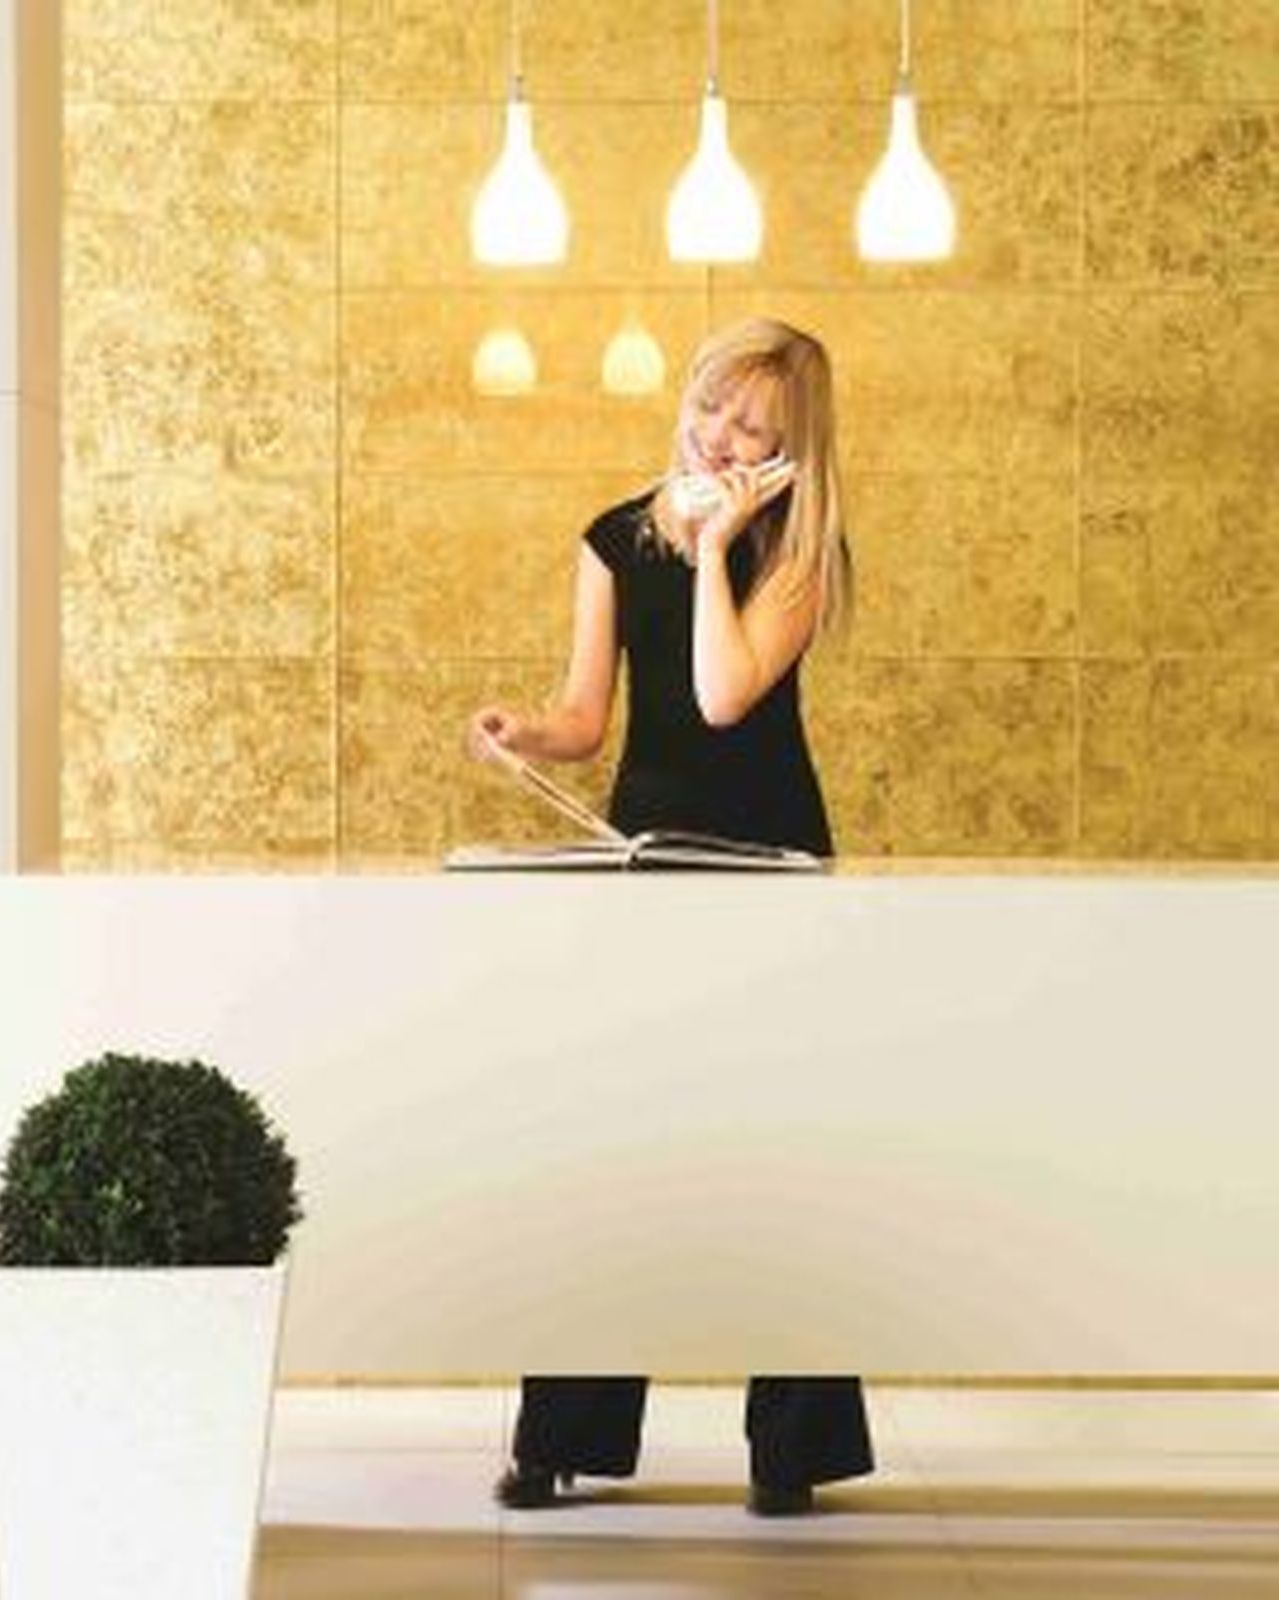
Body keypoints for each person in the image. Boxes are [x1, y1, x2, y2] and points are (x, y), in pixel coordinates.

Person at [466, 317, 870, 1517]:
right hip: (648, 856)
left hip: (773, 856)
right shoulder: (610, 537)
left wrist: (717, 546)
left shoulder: (801, 548)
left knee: (782, 1157)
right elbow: (589, 716)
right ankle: (560, 1437)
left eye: (757, 428)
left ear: (795, 448)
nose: (724, 438)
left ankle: (788, 1450)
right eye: (714, 411)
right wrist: (523, 732)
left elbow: (721, 692)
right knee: (613, 1142)